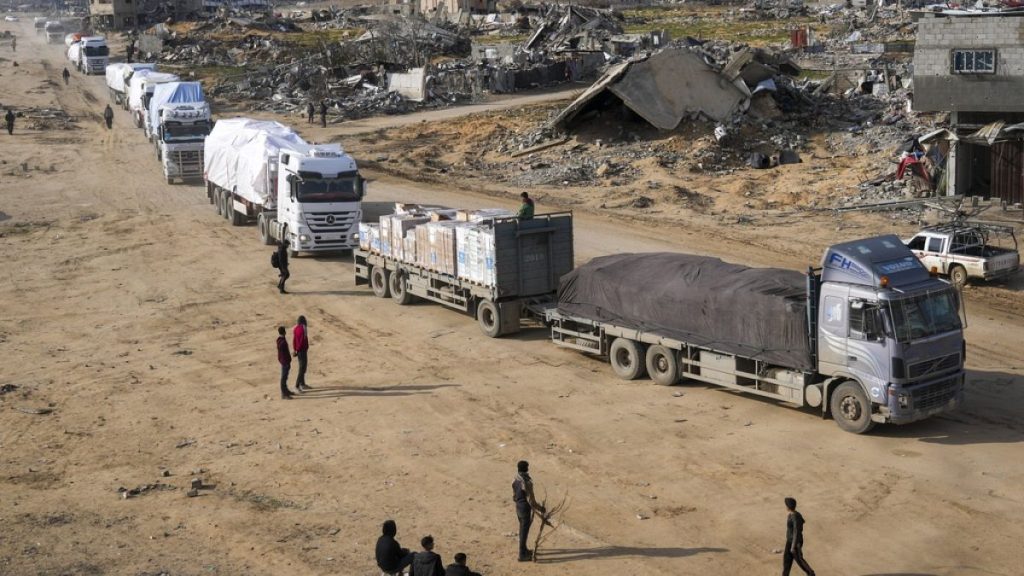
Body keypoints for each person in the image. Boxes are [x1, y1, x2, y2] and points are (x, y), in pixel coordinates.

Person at [513, 460, 545, 561]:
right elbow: (531, 501)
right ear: (526, 469)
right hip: (525, 509)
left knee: (522, 529)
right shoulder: (526, 482)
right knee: (524, 531)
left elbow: (514, 495)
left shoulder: (515, 479)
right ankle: (522, 554)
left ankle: (524, 549)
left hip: (518, 507)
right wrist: (541, 508)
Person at [783, 497, 816, 576]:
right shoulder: (792, 515)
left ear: (788, 506)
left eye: (786, 505)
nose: (785, 507)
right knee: (787, 560)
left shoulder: (795, 516)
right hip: (789, 541)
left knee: (799, 560)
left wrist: (793, 546)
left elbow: (796, 532)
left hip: (795, 542)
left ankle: (811, 573)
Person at [293, 315, 311, 392]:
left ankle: (302, 384)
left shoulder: (295, 328)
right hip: (302, 350)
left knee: (301, 367)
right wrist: (299, 349)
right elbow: (303, 340)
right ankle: (297, 386)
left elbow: (294, 340)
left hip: (299, 350)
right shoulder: (304, 328)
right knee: (302, 368)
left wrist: (295, 349)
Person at [276, 326, 295, 399]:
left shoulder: (279, 340)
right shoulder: (282, 342)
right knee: (284, 378)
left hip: (283, 361)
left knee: (285, 378)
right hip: (285, 362)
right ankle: (284, 394)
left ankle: (286, 391)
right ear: (284, 332)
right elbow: (284, 352)